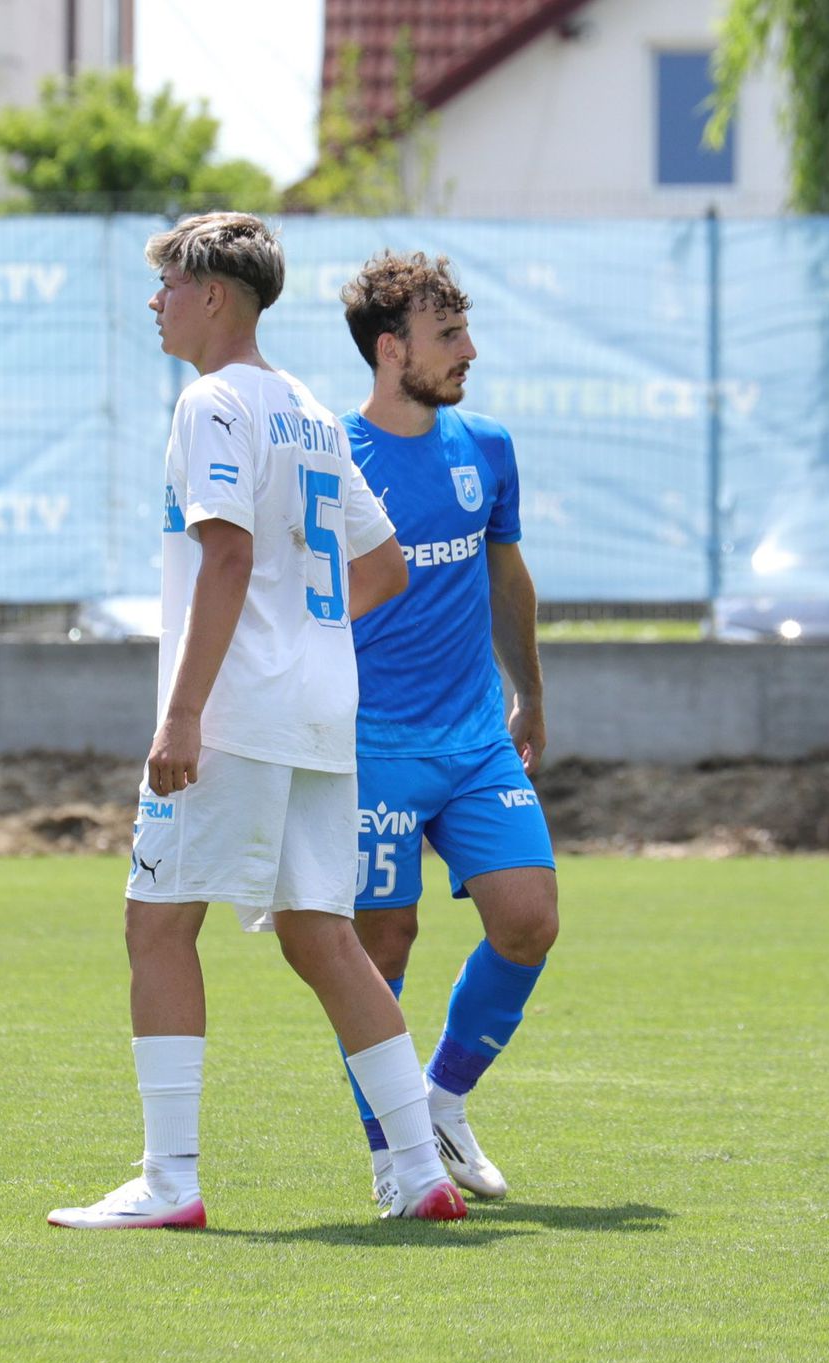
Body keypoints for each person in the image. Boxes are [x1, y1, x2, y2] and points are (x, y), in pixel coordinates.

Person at [48, 215, 466, 1230]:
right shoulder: (314, 412)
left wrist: (184, 710)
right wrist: (303, 637)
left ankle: (170, 1179)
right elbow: (383, 568)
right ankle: (420, 1170)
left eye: (168, 285)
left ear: (216, 296)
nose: (155, 302)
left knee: (157, 923)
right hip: (322, 712)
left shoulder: (213, 402)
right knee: (324, 937)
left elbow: (228, 556)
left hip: (237, 714)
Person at [336, 251, 559, 1209]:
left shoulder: (488, 445)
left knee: (529, 921)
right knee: (380, 949)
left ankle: (441, 1102)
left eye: (464, 330)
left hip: (475, 741)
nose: (470, 350)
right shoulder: (332, 455)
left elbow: (506, 577)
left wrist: (531, 696)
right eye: (448, 336)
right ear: (392, 352)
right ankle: (396, 1163)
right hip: (368, 748)